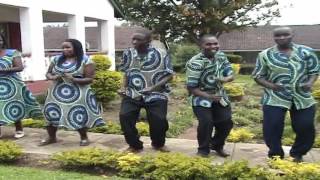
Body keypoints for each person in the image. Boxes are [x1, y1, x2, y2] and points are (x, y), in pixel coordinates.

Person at [252, 27, 319, 162]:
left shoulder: (306, 52)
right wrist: (272, 86)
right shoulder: (265, 55)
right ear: (274, 37)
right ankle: (276, 155)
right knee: (272, 127)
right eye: (278, 36)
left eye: (285, 35)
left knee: (305, 126)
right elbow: (258, 76)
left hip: (302, 97)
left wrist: (310, 83)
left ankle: (298, 153)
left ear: (292, 35)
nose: (281, 38)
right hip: (274, 97)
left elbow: (314, 71)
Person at [40, 39, 104, 146]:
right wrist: (53, 77)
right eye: (63, 48)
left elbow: (89, 79)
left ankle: (84, 138)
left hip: (78, 93)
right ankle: (51, 137)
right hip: (56, 92)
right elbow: (48, 74)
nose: (65, 50)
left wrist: (73, 79)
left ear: (76, 48)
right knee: (51, 112)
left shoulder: (86, 60)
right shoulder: (56, 60)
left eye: (68, 47)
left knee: (77, 113)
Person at [118, 29, 174, 152]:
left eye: (138, 39)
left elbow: (169, 75)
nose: (134, 42)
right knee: (124, 116)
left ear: (148, 41)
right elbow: (127, 72)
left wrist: (153, 88)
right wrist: (123, 87)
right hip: (133, 92)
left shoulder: (162, 53)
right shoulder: (128, 53)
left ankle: (158, 144)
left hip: (156, 93)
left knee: (159, 120)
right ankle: (134, 145)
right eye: (133, 39)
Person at [185, 34, 234, 157]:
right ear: (201, 46)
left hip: (219, 96)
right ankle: (203, 150)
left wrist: (225, 79)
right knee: (206, 122)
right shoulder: (195, 62)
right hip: (201, 97)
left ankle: (217, 145)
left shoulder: (221, 56)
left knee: (226, 122)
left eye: (215, 43)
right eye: (208, 44)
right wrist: (209, 97)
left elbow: (231, 74)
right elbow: (191, 87)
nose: (213, 46)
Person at [0, 34, 42, 138]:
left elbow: (19, 67)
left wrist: (2, 70)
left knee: (14, 105)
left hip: (11, 85)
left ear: (3, 41)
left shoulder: (12, 52)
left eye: (0, 40)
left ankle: (19, 129)